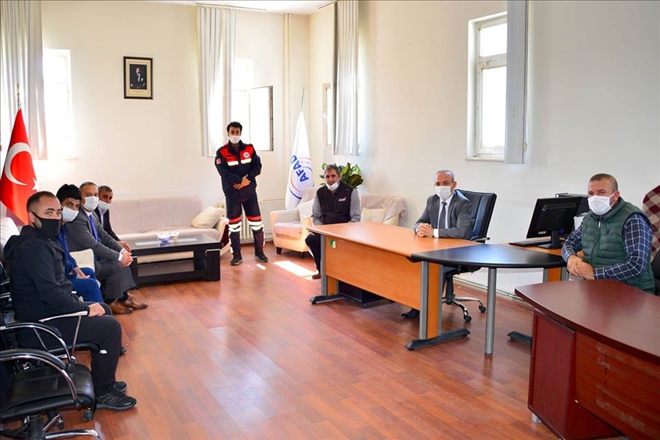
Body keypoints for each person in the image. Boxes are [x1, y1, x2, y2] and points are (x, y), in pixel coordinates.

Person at [4, 191, 137, 411]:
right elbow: (51, 294)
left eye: (58, 212)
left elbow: (55, 288)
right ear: (31, 217)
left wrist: (84, 306)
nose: (55, 217)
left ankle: (104, 381)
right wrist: (84, 309)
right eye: (49, 212)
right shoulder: (33, 248)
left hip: (46, 314)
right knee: (109, 327)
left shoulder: (40, 241)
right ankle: (103, 392)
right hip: (41, 327)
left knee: (104, 309)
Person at [562, 173, 655, 293]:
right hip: (597, 287)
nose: (595, 197)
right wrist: (570, 257)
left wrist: (595, 274)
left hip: (632, 291)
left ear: (615, 195)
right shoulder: (590, 217)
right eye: (591, 193)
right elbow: (569, 242)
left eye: (601, 192)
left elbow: (636, 265)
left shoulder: (633, 219)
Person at [65, 182, 147, 314]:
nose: (93, 198)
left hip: (95, 257)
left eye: (95, 195)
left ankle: (123, 298)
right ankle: (111, 301)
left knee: (123, 259)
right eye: (88, 195)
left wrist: (122, 251)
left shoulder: (92, 214)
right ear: (80, 197)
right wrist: (119, 257)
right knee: (116, 264)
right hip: (84, 261)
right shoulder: (77, 217)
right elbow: (92, 244)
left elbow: (104, 235)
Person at [405, 169, 473, 318]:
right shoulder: (432, 200)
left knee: (435, 266)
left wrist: (433, 232)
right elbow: (419, 222)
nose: (441, 187)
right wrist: (420, 229)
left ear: (454, 184)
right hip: (436, 248)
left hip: (459, 251)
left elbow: (462, 232)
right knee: (413, 261)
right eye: (438, 184)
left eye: (445, 183)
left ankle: (429, 313)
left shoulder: (462, 203)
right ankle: (417, 305)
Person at [215, 121, 268, 266]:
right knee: (234, 227)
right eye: (232, 132)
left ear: (240, 133)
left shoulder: (250, 149)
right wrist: (239, 180)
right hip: (232, 195)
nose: (235, 134)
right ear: (228, 133)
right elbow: (223, 172)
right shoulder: (221, 152)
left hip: (249, 193)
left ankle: (259, 252)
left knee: (257, 224)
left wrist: (247, 180)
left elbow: (257, 166)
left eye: (237, 132)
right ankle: (236, 255)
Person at [305, 164, 361, 279]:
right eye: (327, 176)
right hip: (325, 232)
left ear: (339, 177)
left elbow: (356, 218)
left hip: (344, 233)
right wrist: (322, 230)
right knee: (310, 239)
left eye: (333, 176)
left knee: (338, 246)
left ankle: (339, 274)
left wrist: (343, 232)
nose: (330, 180)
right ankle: (322, 270)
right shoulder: (320, 193)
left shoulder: (351, 191)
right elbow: (316, 216)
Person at [56, 184, 104, 303]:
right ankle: (98, 311)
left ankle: (96, 307)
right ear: (59, 205)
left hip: (63, 272)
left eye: (77, 206)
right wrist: (72, 270)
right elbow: (59, 259)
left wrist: (76, 267)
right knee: (90, 285)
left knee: (89, 271)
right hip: (57, 280)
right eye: (69, 205)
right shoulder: (53, 229)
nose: (73, 210)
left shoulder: (62, 228)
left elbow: (66, 253)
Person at [96, 185, 131, 252]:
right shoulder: (92, 212)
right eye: (105, 197)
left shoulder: (106, 211)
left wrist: (119, 241)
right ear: (97, 196)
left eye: (110, 198)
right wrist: (116, 243)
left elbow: (108, 230)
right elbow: (99, 233)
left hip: (105, 241)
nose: (108, 201)